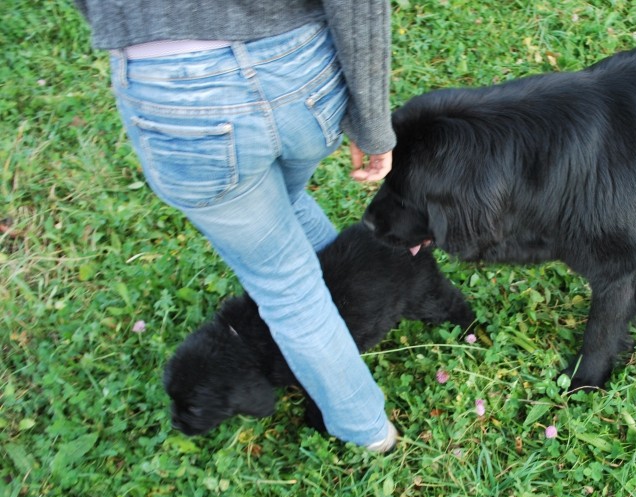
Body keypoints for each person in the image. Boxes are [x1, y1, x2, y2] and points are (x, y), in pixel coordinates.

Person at [73, 0, 400, 451]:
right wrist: (373, 123)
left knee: (287, 288)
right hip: (299, 72)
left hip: (173, 89)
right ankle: (360, 291)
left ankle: (367, 431)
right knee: (281, 202)